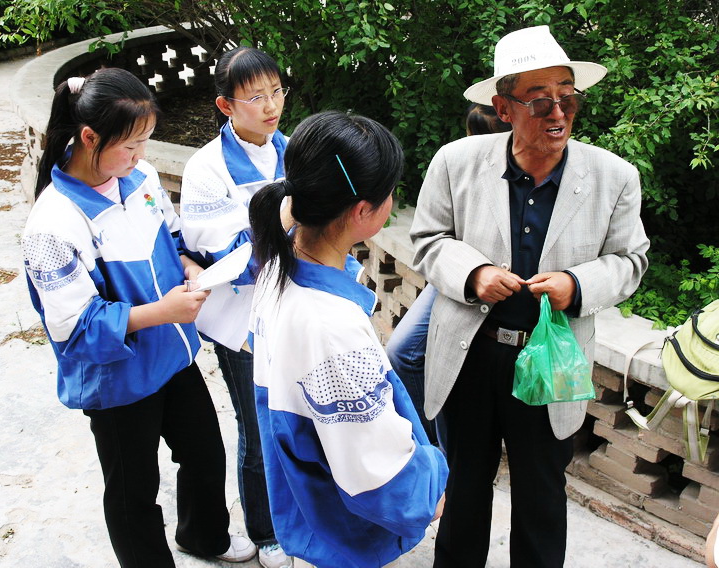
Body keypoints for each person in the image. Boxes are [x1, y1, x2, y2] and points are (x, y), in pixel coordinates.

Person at [410, 25, 650, 567]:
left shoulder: (614, 177)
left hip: (552, 359)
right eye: (541, 102)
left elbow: (631, 260)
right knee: (465, 485)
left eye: (567, 98)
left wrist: (578, 285)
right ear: (504, 107)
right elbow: (428, 240)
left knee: (541, 493)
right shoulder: (456, 162)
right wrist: (472, 274)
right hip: (471, 354)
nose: (558, 114)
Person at [22, 67, 254, 567]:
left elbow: (171, 238)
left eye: (146, 143)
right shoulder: (52, 225)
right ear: (89, 138)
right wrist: (163, 311)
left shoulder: (140, 178)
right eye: (132, 146)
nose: (142, 157)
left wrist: (190, 265)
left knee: (205, 456)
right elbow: (75, 329)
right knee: (133, 493)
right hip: (119, 380)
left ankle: (204, 537)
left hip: (173, 354)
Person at [248, 111, 449, 568]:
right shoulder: (330, 326)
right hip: (343, 528)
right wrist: (427, 493)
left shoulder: (276, 266)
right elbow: (372, 465)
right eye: (388, 193)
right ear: (362, 211)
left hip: (309, 513)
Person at [178, 46, 290, 568]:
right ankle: (265, 533)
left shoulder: (293, 149)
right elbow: (224, 255)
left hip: (293, 307)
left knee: (296, 418)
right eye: (256, 98)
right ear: (227, 106)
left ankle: (295, 517)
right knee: (257, 425)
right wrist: (287, 220)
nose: (271, 106)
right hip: (241, 317)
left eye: (276, 92)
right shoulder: (206, 169)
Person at [385, 103, 511, 447]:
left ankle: (446, 447)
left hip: (496, 289)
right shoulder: (458, 165)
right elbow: (433, 235)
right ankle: (433, 445)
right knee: (402, 351)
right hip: (456, 277)